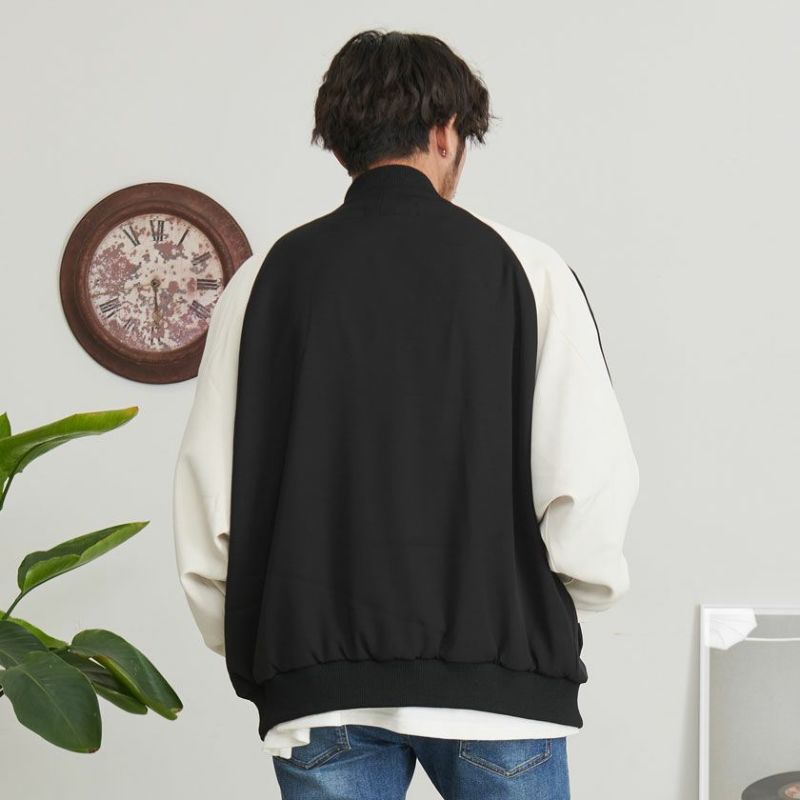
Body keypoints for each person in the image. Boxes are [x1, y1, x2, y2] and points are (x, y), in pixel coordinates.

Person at [172, 28, 639, 800]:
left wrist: (263, 641)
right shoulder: (528, 268)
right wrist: (550, 612)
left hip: (317, 686)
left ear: (340, 140)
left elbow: (209, 496)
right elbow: (585, 477)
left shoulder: (264, 280)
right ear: (446, 132)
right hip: (499, 680)